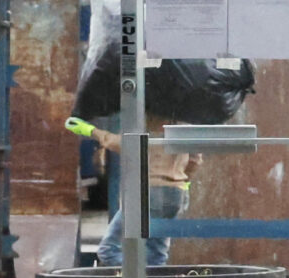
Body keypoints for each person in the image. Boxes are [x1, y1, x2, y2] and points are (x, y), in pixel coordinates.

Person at [68, 114, 196, 268]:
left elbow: (118, 143)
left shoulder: (149, 123)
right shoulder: (184, 127)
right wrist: (185, 183)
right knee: (156, 255)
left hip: (148, 192)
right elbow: (195, 160)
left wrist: (90, 130)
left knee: (108, 251)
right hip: (175, 194)